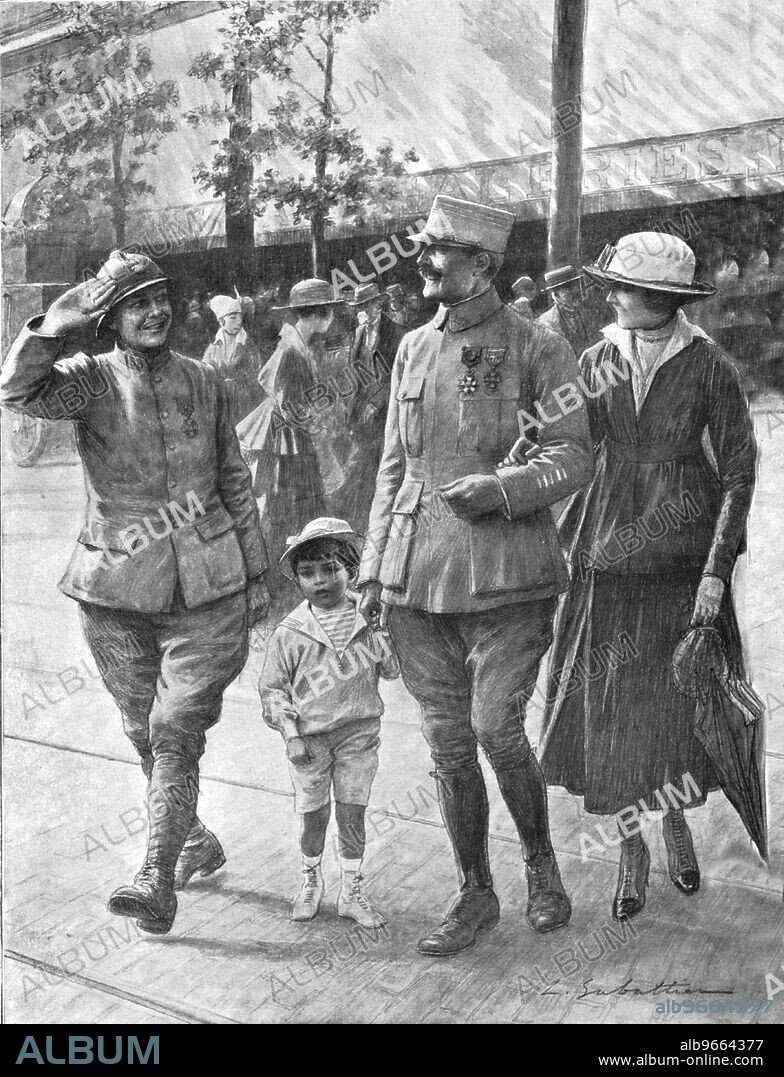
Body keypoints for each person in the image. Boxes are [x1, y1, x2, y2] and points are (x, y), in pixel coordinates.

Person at [0, 250, 270, 934]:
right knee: (138, 726)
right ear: (111, 317)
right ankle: (193, 837)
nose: (153, 312)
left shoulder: (206, 380)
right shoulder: (87, 381)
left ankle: (155, 873)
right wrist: (61, 320)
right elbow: (14, 388)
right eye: (134, 303)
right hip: (114, 587)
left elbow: (234, 477)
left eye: (160, 299)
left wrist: (258, 571)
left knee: (175, 727)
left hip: (208, 588)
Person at [358, 195, 594, 957]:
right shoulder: (412, 347)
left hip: (508, 577)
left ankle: (541, 864)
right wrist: (371, 570)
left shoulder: (537, 345)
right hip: (416, 580)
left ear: (484, 264)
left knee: (497, 728)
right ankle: (474, 891)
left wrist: (503, 488)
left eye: (438, 252)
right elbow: (393, 466)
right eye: (424, 249)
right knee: (448, 745)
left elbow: (573, 455)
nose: (423, 262)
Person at [539, 232, 757, 921]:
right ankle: (630, 846)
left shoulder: (709, 366)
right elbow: (571, 443)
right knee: (612, 705)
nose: (613, 296)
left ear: (662, 298)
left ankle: (674, 823)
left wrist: (716, 573)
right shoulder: (598, 357)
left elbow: (739, 473)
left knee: (675, 706)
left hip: (680, 558)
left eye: (624, 288)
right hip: (606, 552)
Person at [260, 518, 398, 927]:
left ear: (351, 572)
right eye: (308, 573)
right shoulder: (290, 631)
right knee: (314, 815)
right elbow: (273, 690)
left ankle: (352, 891)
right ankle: (310, 881)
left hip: (359, 734)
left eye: (330, 569)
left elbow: (390, 670)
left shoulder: (366, 616)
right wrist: (290, 734)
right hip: (310, 740)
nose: (320, 581)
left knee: (353, 813)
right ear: (298, 581)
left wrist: (378, 631)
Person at [237, 279, 345, 617]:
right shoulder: (290, 349)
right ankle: (281, 585)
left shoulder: (299, 345)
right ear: (319, 314)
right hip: (289, 443)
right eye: (329, 313)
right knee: (289, 509)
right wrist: (314, 421)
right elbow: (284, 399)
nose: (331, 320)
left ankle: (295, 580)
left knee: (301, 507)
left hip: (295, 440)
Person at [341, 283, 407, 533]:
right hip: (361, 415)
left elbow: (397, 378)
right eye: (360, 308)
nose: (365, 312)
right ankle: (363, 523)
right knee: (362, 470)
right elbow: (355, 373)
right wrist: (352, 408)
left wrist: (374, 404)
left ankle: (386, 524)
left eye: (369, 306)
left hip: (386, 413)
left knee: (387, 468)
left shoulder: (398, 333)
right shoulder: (358, 334)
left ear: (379, 305)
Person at [202, 294, 263, 423]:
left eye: (240, 317)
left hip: (245, 402)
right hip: (221, 402)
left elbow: (256, 374)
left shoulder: (247, 345)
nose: (238, 322)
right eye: (232, 318)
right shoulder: (213, 347)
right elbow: (205, 374)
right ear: (221, 321)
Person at [537, 264, 604, 358]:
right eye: (568, 288)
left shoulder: (590, 312)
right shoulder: (545, 323)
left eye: (576, 285)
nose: (576, 290)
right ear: (555, 295)